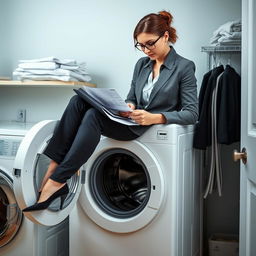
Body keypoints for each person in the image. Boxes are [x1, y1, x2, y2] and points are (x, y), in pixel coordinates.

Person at [23, 10, 198, 212]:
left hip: (144, 127)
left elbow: (192, 113)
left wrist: (155, 118)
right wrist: (129, 105)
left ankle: (57, 180)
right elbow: (132, 97)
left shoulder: (184, 67)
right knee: (77, 101)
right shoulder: (141, 65)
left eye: (150, 43)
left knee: (92, 116)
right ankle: (54, 165)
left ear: (165, 36)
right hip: (130, 119)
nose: (145, 50)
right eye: (140, 45)